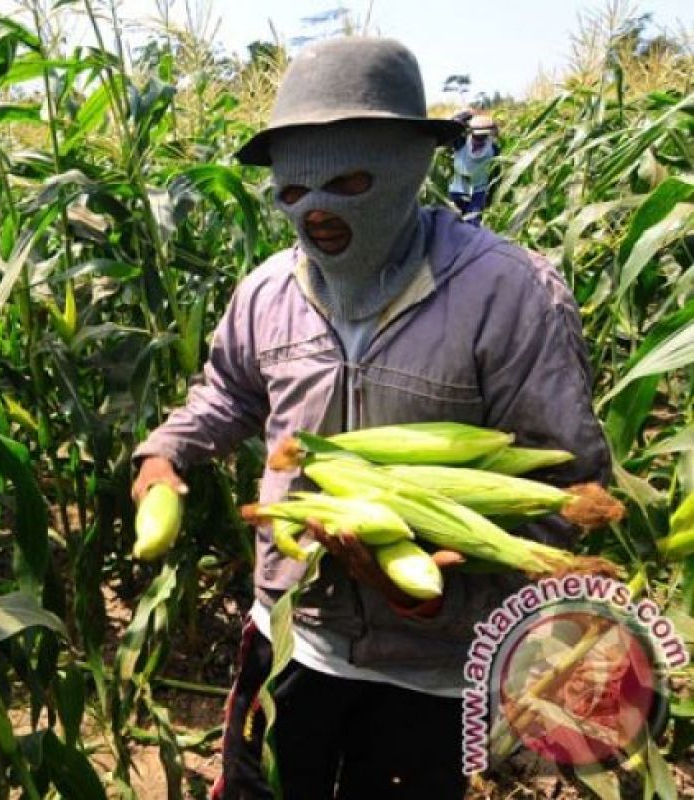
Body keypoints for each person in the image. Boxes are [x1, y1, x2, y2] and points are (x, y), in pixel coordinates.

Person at [130, 37, 608, 799]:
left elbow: (568, 494)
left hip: (432, 675)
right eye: (293, 194)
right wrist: (167, 453)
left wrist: (444, 593)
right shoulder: (266, 293)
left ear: (406, 166)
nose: (315, 215)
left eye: (347, 182)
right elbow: (227, 391)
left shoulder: (507, 294)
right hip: (292, 636)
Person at [449, 110, 501, 224]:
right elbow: (450, 126)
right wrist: (466, 114)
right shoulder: (460, 143)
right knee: (453, 223)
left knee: (473, 224)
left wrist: (491, 196)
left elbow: (496, 174)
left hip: (479, 193)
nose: (479, 140)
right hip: (458, 191)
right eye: (477, 137)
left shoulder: (493, 149)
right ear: (471, 133)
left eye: (483, 137)